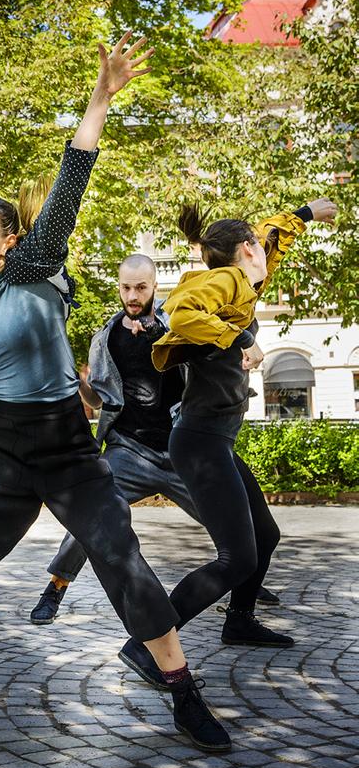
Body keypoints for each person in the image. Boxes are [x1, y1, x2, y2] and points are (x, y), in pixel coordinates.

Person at [0, 34, 233, 753]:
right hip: (1, 449)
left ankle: (185, 696)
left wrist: (100, 97)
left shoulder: (36, 266)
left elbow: (73, 174)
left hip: (69, 447)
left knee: (124, 562)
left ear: (7, 240)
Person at [117, 196, 338, 667]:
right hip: (199, 442)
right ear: (246, 249)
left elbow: (270, 236)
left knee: (265, 536)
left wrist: (304, 214)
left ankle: (239, 621)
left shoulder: (241, 282)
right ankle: (146, 644)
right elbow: (181, 310)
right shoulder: (223, 280)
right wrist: (243, 338)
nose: (267, 251)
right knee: (236, 557)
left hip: (212, 439)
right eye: (259, 245)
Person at [28, 255, 279, 627]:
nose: (133, 295)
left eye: (141, 287)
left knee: (233, 523)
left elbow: (215, 335)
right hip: (128, 450)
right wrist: (75, 382)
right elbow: (98, 399)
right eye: (126, 287)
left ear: (155, 286)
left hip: (181, 447)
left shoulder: (179, 320)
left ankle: (243, 580)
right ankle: (56, 586)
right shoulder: (105, 338)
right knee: (92, 515)